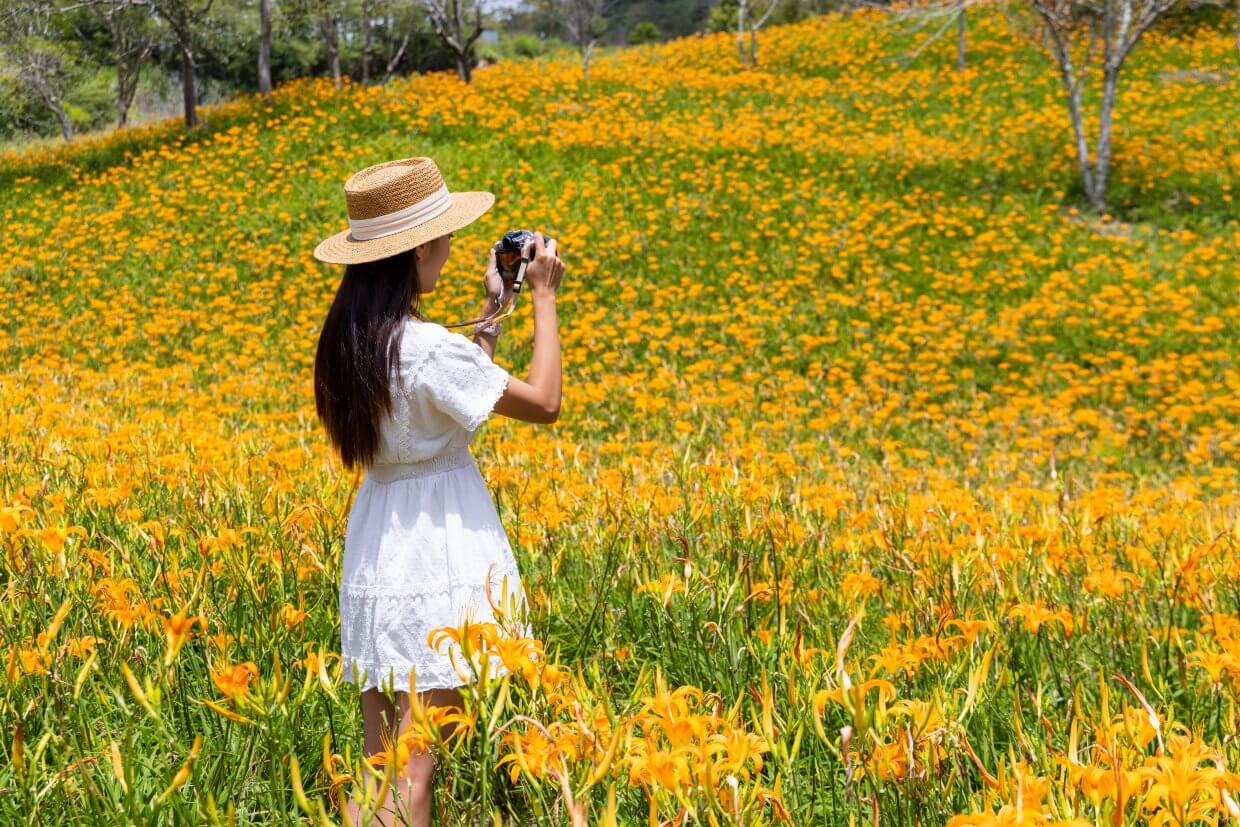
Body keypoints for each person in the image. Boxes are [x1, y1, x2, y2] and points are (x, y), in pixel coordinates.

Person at [311, 156, 565, 826]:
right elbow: (543, 401)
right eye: (446, 238)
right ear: (421, 246)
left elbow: (439, 396)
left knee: (383, 762)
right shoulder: (424, 348)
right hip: (433, 555)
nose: (450, 250)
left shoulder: (354, 340)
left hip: (378, 544)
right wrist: (542, 295)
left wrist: (490, 314)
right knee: (416, 767)